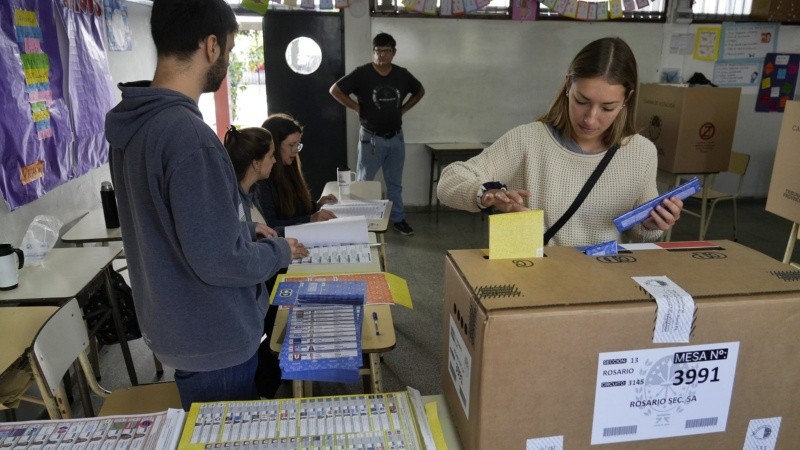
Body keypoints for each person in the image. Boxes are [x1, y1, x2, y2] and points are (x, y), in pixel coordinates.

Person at [104, 0, 307, 410]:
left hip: (176, 322)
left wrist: (243, 229)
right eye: (229, 50)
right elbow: (221, 262)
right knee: (227, 432)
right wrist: (279, 250)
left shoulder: (134, 123)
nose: (227, 61)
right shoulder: (190, 138)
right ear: (211, 46)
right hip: (214, 334)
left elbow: (167, 224)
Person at [437, 37, 682, 247]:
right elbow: (450, 181)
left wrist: (652, 224)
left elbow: (638, 232)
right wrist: (486, 194)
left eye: (607, 107)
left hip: (600, 277)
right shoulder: (528, 140)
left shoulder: (641, 152)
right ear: (568, 85)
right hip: (532, 276)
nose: (590, 118)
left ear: (627, 99)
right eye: (581, 101)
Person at [329, 32, 425, 236]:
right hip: (370, 139)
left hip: (396, 138)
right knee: (364, 183)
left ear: (394, 52)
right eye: (378, 51)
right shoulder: (362, 73)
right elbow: (335, 90)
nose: (382, 55)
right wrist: (356, 107)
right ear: (373, 52)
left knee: (395, 184)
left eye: (386, 51)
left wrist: (403, 109)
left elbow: (420, 91)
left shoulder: (402, 74)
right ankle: (362, 221)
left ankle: (398, 219)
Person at [256, 113, 338, 228]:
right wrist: (310, 219)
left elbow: (295, 209)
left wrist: (316, 206)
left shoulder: (288, 168)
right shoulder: (262, 180)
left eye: (298, 144)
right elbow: (270, 225)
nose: (296, 150)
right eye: (291, 145)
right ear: (274, 146)